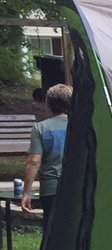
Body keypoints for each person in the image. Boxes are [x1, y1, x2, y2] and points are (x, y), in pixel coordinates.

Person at [22, 83, 71, 227]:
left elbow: (34, 162)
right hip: (75, 186)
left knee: (51, 228)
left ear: (49, 104)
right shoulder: (78, 127)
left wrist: (26, 193)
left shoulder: (40, 128)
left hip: (50, 188)